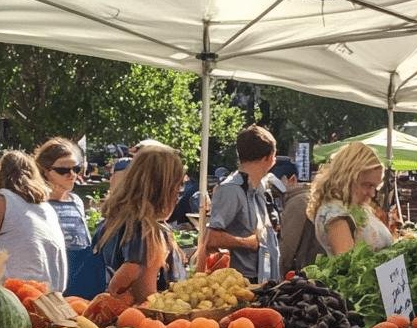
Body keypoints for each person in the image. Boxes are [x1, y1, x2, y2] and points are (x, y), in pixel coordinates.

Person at [92, 145, 188, 303]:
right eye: (177, 190)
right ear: (163, 191)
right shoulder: (146, 230)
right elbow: (145, 292)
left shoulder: (111, 223)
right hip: (145, 322)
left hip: (114, 320)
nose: (177, 197)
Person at [0, 150, 69, 290]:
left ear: (1, 174)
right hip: (53, 292)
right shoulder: (47, 207)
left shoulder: (1, 199)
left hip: (18, 292)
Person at [206, 126, 280, 283]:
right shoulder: (231, 189)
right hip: (243, 283)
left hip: (265, 280)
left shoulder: (260, 188)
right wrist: (248, 243)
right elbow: (211, 238)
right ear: (269, 157)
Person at [35, 137, 105, 298]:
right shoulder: (38, 203)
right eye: (63, 170)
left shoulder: (76, 200)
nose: (71, 174)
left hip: (82, 275)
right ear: (45, 171)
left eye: (76, 168)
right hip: (56, 274)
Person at [308, 141, 395, 256]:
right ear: (348, 178)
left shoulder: (354, 208)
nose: (372, 194)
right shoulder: (335, 214)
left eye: (375, 186)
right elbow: (348, 266)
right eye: (367, 185)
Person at [278, 172, 324, 275]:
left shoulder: (298, 202)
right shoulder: (310, 196)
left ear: (292, 179)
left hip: (308, 270)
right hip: (317, 266)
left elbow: (288, 245)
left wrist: (279, 274)